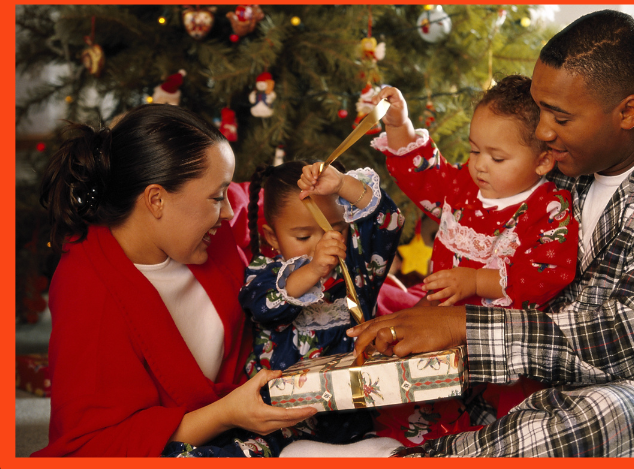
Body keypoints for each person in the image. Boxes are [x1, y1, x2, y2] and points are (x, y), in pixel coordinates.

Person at [350, 9, 634, 457]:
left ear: (628, 111)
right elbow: (451, 193)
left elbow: (628, 345)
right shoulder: (560, 162)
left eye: (559, 116)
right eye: (539, 110)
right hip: (533, 376)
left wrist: (465, 326)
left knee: (612, 415)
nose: (541, 132)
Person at [33, 104, 317, 457]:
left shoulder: (208, 231)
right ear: (156, 200)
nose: (229, 211)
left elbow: (264, 203)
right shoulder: (89, 293)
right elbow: (94, 446)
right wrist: (226, 413)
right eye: (217, 197)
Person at [370, 75, 579, 421]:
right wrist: (400, 125)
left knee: (476, 419)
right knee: (403, 395)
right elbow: (427, 176)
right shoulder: (466, 186)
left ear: (542, 161)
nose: (480, 164)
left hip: (492, 349)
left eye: (497, 158)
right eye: (474, 150)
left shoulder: (548, 210)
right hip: (435, 324)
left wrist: (476, 282)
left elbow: (543, 278)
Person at [239, 160, 404, 444]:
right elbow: (263, 306)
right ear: (272, 237)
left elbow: (388, 222)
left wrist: (342, 184)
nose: (323, 243)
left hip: (356, 406)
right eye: (304, 236)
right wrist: (314, 270)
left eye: (335, 228)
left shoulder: (358, 267)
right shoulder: (264, 273)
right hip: (284, 414)